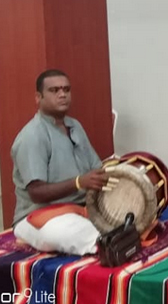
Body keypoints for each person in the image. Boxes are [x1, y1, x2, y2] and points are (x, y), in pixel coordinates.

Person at [12, 69, 110, 255]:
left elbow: (96, 168)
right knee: (71, 232)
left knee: (129, 214)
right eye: (54, 90)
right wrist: (79, 182)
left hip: (81, 208)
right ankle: (106, 245)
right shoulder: (32, 136)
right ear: (38, 97)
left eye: (66, 89)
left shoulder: (75, 126)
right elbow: (37, 193)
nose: (62, 94)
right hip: (41, 214)